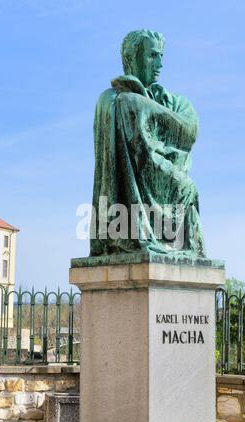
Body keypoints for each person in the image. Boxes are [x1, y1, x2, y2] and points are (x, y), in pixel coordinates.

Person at [90, 29, 206, 259]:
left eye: (161, 56)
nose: (160, 64)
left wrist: (145, 107)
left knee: (187, 190)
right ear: (131, 59)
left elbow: (188, 131)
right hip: (131, 197)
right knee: (187, 188)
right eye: (152, 56)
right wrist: (141, 104)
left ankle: (174, 243)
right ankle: (134, 231)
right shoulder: (113, 98)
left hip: (165, 186)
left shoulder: (172, 100)